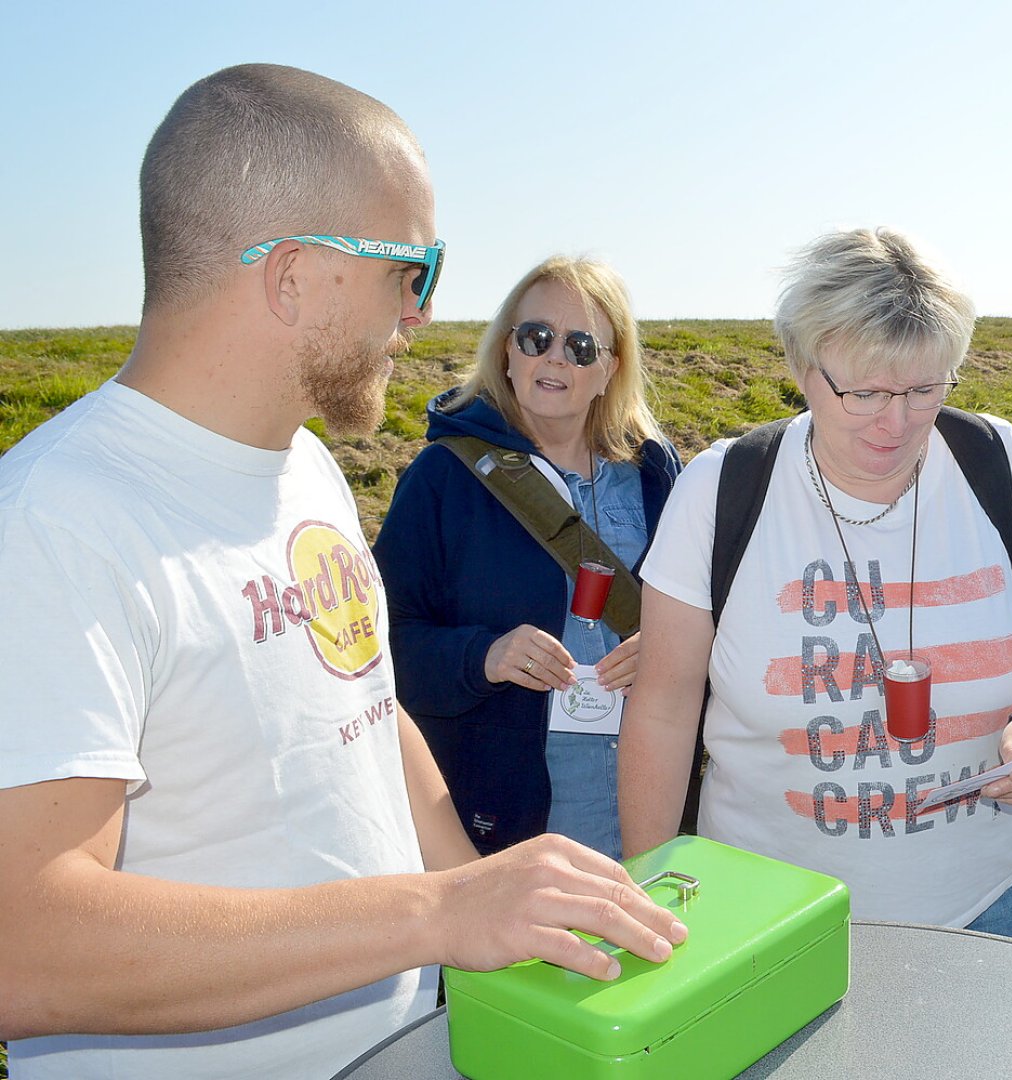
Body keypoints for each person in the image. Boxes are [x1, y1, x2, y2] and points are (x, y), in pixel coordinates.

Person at [0, 65, 684, 1080]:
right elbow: (27, 946)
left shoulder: (305, 466)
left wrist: (488, 904)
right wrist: (440, 912)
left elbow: (368, 708)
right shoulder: (55, 521)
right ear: (295, 277)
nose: (423, 311)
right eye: (411, 268)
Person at [617, 227, 1012, 945]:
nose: (895, 421)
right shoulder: (723, 488)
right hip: (768, 914)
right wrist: (648, 889)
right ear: (803, 367)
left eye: (923, 389)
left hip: (992, 899)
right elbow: (663, 701)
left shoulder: (996, 463)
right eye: (864, 390)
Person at [374, 256, 679, 860]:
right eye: (536, 337)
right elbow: (379, 651)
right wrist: (484, 656)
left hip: (645, 805)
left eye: (582, 345)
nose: (555, 357)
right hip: (502, 822)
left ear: (611, 368)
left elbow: (714, 621)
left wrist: (672, 655)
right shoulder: (444, 477)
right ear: (507, 352)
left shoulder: (655, 476)